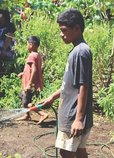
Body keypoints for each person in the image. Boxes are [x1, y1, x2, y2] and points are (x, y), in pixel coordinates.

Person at [39, 9, 93, 158]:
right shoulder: (77, 50)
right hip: (73, 113)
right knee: (80, 151)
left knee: (65, 152)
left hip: (73, 115)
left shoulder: (81, 52)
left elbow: (84, 86)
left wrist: (78, 119)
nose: (61, 34)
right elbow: (70, 85)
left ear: (77, 28)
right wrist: (52, 97)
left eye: (64, 30)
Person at [16, 36, 48, 124]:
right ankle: (27, 115)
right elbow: (35, 69)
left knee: (26, 103)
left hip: (29, 83)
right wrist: (23, 74)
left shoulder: (31, 56)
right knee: (23, 97)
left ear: (31, 45)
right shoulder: (37, 55)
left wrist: (29, 84)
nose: (27, 45)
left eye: (28, 44)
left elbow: (34, 70)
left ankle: (42, 114)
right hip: (32, 83)